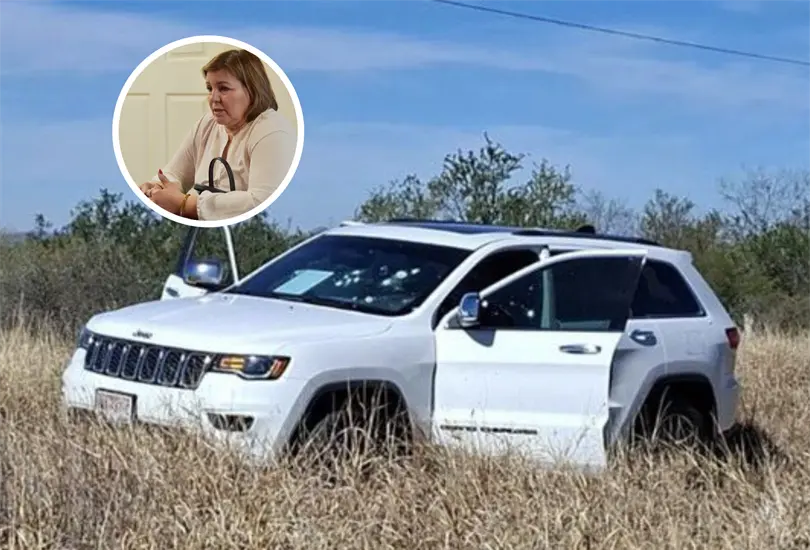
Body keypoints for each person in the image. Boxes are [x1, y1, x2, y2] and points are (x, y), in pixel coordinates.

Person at [139, 48, 297, 221]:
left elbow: (261, 201)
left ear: (252, 90)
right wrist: (155, 187)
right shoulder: (207, 124)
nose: (213, 98)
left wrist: (187, 204)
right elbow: (174, 174)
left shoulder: (272, 131)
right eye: (210, 88)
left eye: (223, 89)